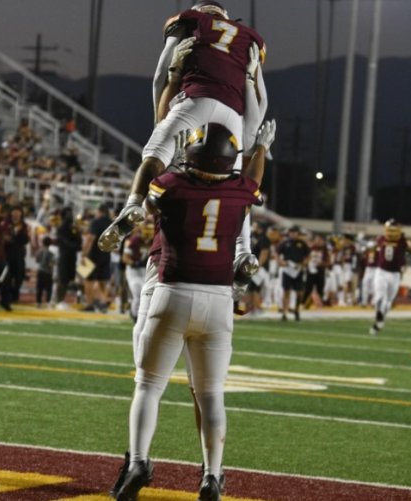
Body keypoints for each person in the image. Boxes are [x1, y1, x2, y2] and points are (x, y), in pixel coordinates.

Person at [113, 120, 274, 501]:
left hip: (172, 292)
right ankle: (212, 476)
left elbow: (151, 192)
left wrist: (173, 151)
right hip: (217, 299)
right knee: (211, 394)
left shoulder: (171, 185)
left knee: (148, 386)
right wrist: (262, 149)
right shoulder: (241, 191)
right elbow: (251, 178)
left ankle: (138, 461)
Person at [98, 1, 267, 254]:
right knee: (236, 186)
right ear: (227, 16)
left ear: (199, 11)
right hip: (232, 114)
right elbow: (261, 101)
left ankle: (132, 205)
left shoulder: (190, 20)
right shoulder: (249, 37)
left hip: (195, 99)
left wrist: (161, 123)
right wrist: (253, 139)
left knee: (154, 156)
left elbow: (159, 77)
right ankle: (243, 251)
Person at [369, 219, 411, 335]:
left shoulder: (403, 241)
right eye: (390, 230)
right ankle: (379, 316)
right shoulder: (381, 239)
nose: (391, 233)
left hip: (395, 275)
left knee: (388, 302)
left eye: (394, 231)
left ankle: (378, 323)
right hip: (381, 271)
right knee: (379, 298)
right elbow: (372, 248)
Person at [81, 204, 113, 312]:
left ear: (100, 211)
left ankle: (91, 303)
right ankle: (102, 302)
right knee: (102, 281)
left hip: (92, 254)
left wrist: (84, 254)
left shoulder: (96, 222)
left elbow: (90, 238)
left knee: (87, 280)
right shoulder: (112, 223)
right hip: (106, 255)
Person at [278, 225, 310, 321]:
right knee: (286, 291)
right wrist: (280, 262)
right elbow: (277, 253)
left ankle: (296, 309)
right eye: (291, 232)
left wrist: (304, 263)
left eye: (294, 232)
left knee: (299, 292)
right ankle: (284, 312)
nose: (292, 234)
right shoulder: (285, 243)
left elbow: (308, 256)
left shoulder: (302, 243)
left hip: (298, 269)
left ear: (297, 233)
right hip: (288, 269)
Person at [54, 206, 82, 309]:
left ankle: (61, 300)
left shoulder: (74, 227)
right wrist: (75, 246)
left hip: (72, 256)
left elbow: (78, 242)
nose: (70, 216)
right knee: (62, 278)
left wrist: (78, 234)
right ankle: (59, 300)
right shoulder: (61, 228)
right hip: (64, 255)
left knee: (69, 278)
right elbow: (64, 241)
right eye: (68, 213)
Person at [4, 206, 30, 304]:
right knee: (8, 276)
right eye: (14, 212)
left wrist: (15, 237)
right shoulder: (6, 224)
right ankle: (8, 295)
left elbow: (26, 239)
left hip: (19, 254)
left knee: (19, 276)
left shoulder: (24, 225)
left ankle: (15, 294)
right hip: (8, 253)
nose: (16, 214)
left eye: (18, 212)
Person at [35, 235, 55, 308]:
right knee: (49, 288)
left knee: (39, 288)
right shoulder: (51, 254)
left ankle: (38, 302)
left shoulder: (39, 251)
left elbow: (37, 260)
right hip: (48, 272)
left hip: (40, 270)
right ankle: (48, 302)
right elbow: (51, 264)